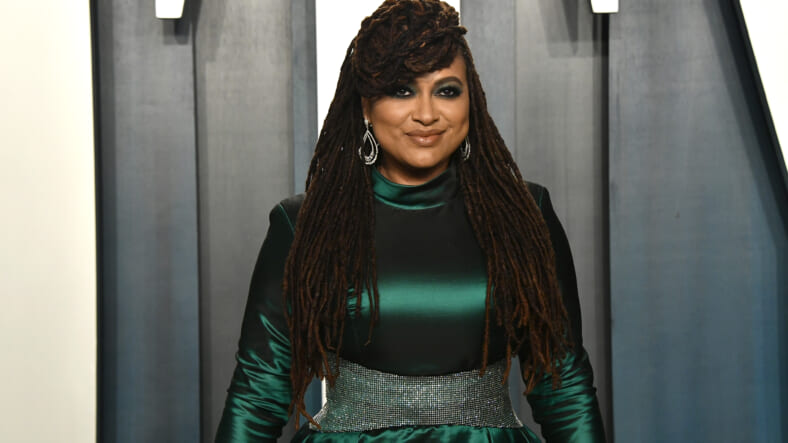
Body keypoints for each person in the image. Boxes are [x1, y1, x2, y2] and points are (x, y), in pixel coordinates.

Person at [216, 1, 606, 441]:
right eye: (402, 90)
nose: (426, 113)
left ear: (472, 101)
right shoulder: (303, 225)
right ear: (366, 106)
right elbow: (258, 393)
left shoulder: (524, 214)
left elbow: (563, 385)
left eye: (447, 91)